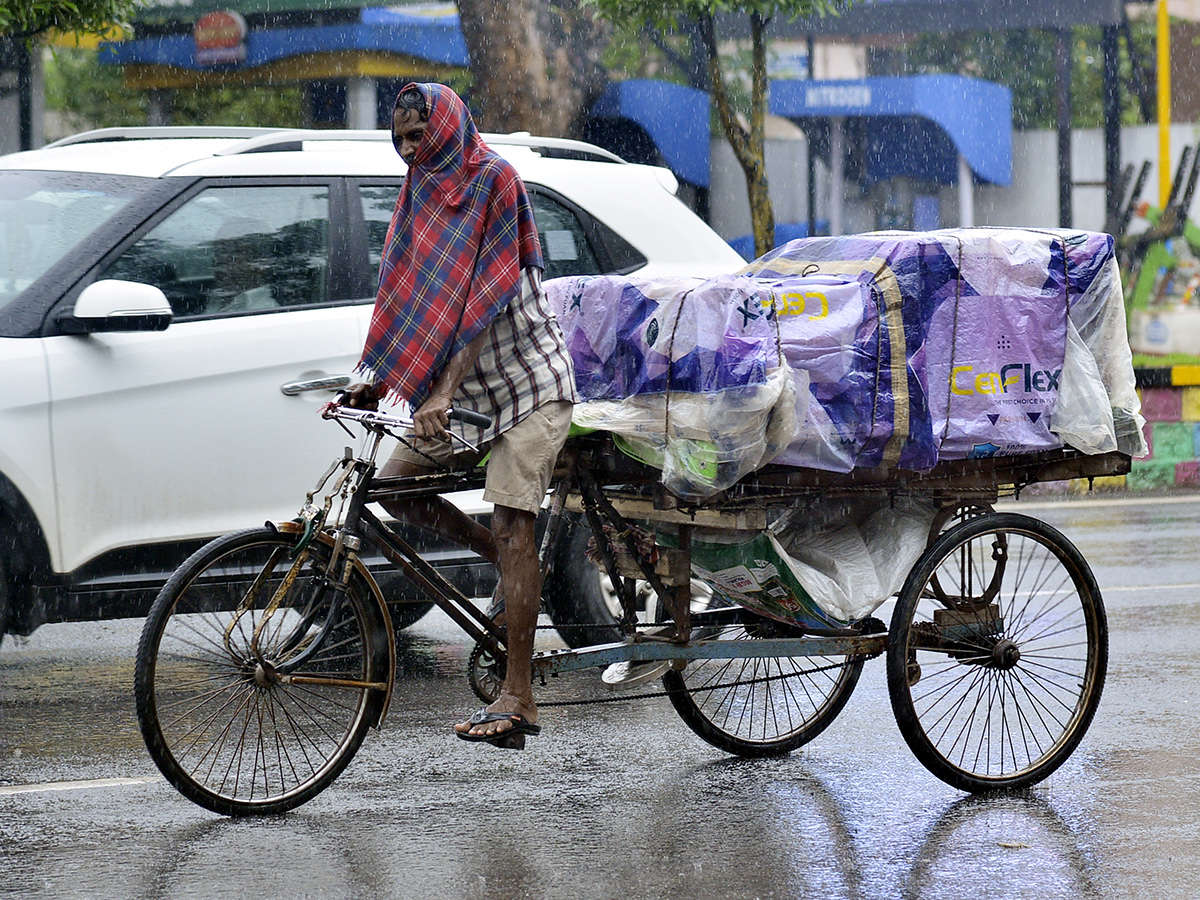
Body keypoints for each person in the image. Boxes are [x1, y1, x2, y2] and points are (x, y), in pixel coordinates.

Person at [343, 83, 577, 749]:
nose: (410, 149)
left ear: (446, 127)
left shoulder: (495, 179)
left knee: (511, 518)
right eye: (402, 139)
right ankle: (510, 569)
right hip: (468, 394)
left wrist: (441, 391)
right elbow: (409, 299)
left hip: (530, 382)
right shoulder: (419, 195)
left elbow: (489, 292)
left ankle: (520, 695)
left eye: (420, 135)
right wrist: (374, 382)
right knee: (394, 490)